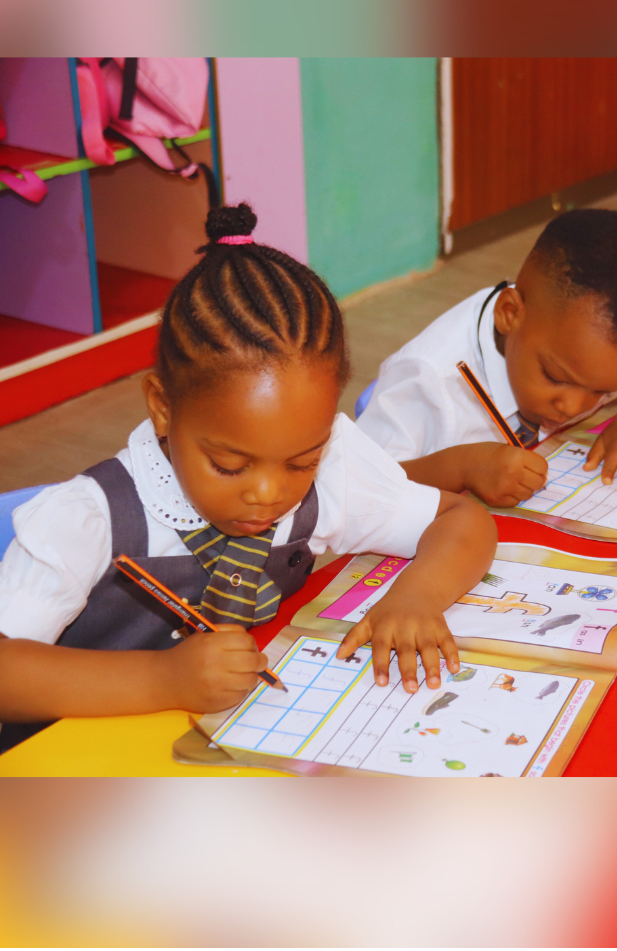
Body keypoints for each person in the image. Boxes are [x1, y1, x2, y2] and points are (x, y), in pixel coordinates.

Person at [0, 205, 496, 752]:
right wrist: (161, 680)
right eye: (230, 466)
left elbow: (461, 518)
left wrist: (418, 597)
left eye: (302, 461)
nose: (268, 494)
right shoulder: (89, 519)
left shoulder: (333, 473)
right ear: (163, 408)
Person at [358, 208, 617, 506]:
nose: (572, 407)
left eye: (601, 392)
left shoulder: (588, 340)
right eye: (555, 377)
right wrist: (460, 468)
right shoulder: (428, 378)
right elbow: (355, 489)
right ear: (509, 314)